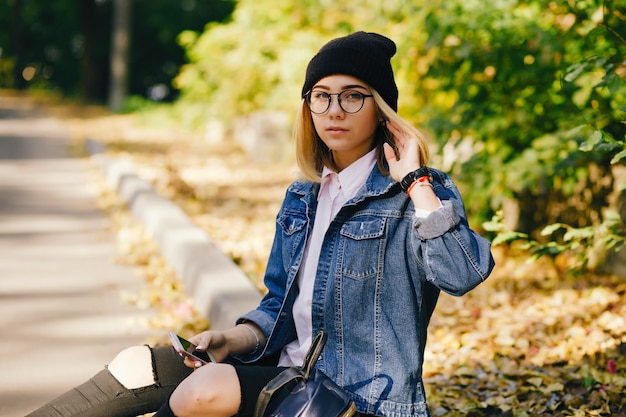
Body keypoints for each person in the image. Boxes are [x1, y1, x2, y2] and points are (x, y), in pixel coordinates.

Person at [27, 31, 494, 417]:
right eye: (322, 96)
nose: (334, 110)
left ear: (381, 111)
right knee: (138, 366)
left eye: (354, 97)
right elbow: (278, 309)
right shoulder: (302, 196)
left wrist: (415, 181)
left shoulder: (415, 194)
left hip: (357, 401)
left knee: (204, 389)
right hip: (285, 376)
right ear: (307, 107)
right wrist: (231, 338)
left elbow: (461, 274)